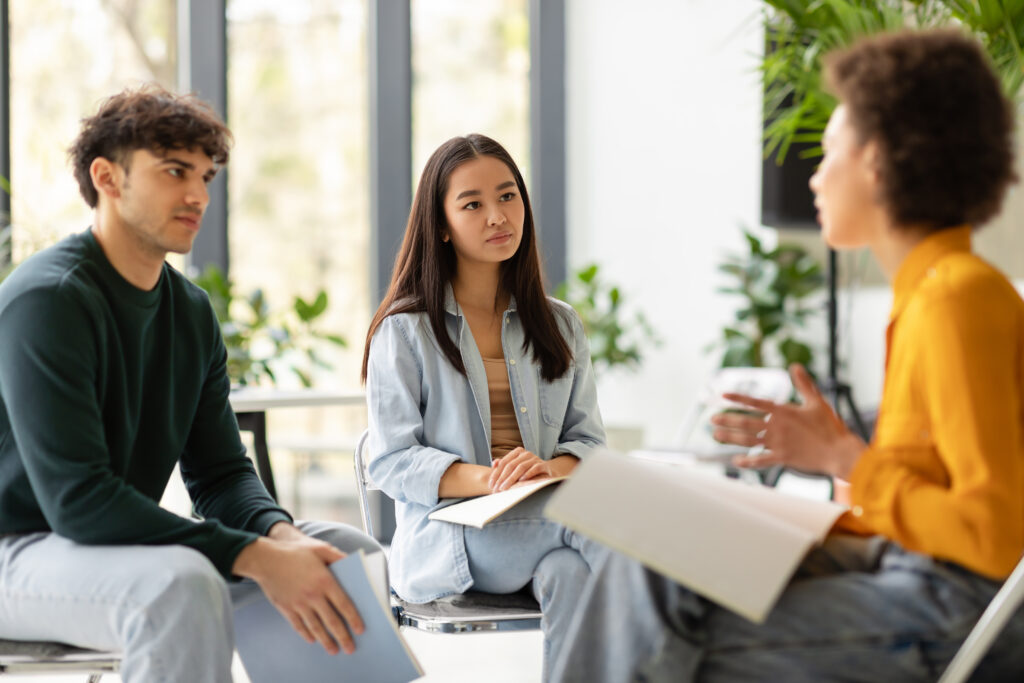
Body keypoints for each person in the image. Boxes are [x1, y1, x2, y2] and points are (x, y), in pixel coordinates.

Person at [550, 28, 1024, 682]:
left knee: (660, 630)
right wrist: (813, 502)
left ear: (879, 162)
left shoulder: (956, 299)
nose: (815, 176)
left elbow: (995, 534)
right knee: (644, 549)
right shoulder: (932, 294)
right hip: (912, 564)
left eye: (830, 152)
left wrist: (845, 459)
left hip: (958, 604)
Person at [0, 86, 382, 683]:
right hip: (17, 550)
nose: (198, 195)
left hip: (105, 546)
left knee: (346, 556)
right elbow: (79, 501)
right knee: (179, 584)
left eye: (206, 175)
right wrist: (258, 558)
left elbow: (223, 476)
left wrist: (281, 540)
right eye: (175, 171)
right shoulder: (48, 300)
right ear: (108, 178)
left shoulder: (191, 313)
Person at [361, 133, 607, 679]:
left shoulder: (560, 323)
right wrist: (493, 481)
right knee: (599, 526)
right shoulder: (404, 331)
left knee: (569, 571)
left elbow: (588, 441)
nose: (498, 215)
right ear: (442, 224)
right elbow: (390, 460)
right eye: (473, 204)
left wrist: (546, 470)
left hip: (544, 521)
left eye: (508, 196)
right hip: (453, 535)